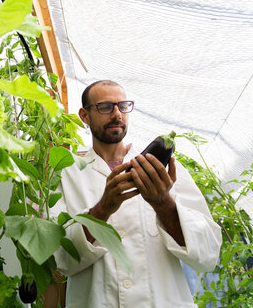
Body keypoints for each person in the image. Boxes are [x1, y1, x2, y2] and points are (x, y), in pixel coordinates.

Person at [50, 80, 222, 307]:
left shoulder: (164, 170)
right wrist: (103, 209)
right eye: (104, 107)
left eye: (123, 106)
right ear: (84, 115)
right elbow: (59, 258)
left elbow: (208, 253)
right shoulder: (66, 174)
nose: (116, 114)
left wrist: (163, 204)